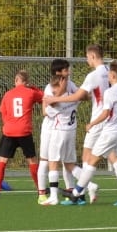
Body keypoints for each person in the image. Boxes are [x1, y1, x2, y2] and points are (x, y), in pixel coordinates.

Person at [67, 61, 117, 206]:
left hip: (111, 132)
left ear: (113, 75)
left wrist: (92, 123)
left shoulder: (110, 92)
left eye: (109, 74)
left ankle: (76, 193)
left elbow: (106, 114)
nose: (108, 76)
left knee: (92, 160)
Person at [39, 59, 86, 205]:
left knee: (57, 163)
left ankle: (65, 192)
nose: (69, 72)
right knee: (54, 163)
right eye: (66, 70)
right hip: (53, 129)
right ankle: (43, 193)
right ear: (58, 72)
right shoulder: (49, 88)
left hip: (60, 129)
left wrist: (62, 94)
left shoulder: (69, 85)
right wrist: (64, 92)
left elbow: (50, 107)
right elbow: (47, 108)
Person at [0, 69, 42, 199]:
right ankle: (40, 189)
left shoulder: (8, 94)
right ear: (26, 82)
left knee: (2, 160)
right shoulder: (31, 92)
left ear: (16, 80)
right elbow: (43, 97)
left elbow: (3, 112)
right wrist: (33, 87)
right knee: (32, 160)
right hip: (24, 131)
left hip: (9, 131)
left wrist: (7, 125)